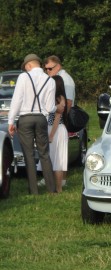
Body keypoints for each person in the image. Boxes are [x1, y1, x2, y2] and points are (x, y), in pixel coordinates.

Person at [8, 54, 58, 194]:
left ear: (29, 65)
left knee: (28, 154)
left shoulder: (23, 77)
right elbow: (50, 107)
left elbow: (16, 100)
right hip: (41, 118)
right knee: (44, 154)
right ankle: (51, 189)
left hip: (25, 118)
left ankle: (33, 190)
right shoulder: (50, 80)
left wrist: (11, 121)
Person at [43, 55, 75, 186]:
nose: (47, 72)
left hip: (59, 123)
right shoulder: (57, 78)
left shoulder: (64, 80)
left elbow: (67, 103)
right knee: (58, 154)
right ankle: (59, 181)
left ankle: (60, 181)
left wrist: (62, 119)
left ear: (58, 66)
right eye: (45, 69)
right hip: (57, 123)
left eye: (50, 69)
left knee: (58, 155)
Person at [37, 75, 68, 192]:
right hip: (52, 129)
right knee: (53, 158)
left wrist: (51, 135)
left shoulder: (59, 99)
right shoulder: (54, 98)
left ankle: (59, 188)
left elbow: (57, 118)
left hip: (56, 130)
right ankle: (54, 186)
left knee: (58, 160)